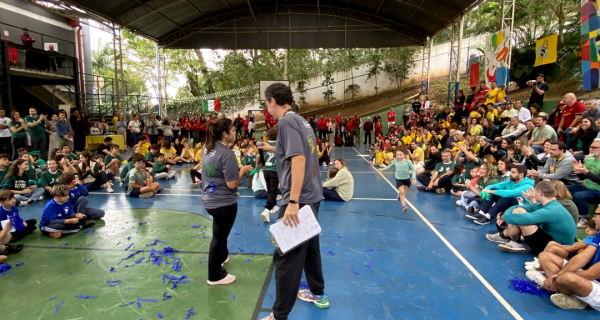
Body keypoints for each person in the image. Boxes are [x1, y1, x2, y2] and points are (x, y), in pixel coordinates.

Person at [259, 83, 327, 320]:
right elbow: (298, 152)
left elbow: (298, 159)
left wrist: (293, 202)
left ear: (272, 101)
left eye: (266, 103)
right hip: (313, 194)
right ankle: (318, 292)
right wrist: (273, 147)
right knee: (310, 249)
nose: (266, 107)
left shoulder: (285, 123)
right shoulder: (300, 120)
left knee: (286, 257)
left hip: (300, 198)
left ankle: (278, 315)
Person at [200, 118, 252, 286]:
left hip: (209, 199)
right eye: (233, 130)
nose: (235, 133)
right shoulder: (227, 154)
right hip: (223, 203)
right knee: (219, 237)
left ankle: (222, 256)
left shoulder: (207, 148)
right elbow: (232, 183)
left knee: (219, 232)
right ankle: (215, 275)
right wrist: (243, 171)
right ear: (225, 133)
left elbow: (214, 174)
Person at [499, 181, 576, 254]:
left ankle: (508, 237)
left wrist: (503, 217)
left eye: (535, 192)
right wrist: (504, 214)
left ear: (540, 193)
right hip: (553, 241)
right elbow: (516, 206)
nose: (534, 194)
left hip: (558, 249)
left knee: (522, 219)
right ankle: (511, 239)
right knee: (518, 210)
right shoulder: (549, 204)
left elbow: (524, 219)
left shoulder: (551, 210)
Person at [471, 165, 535, 226]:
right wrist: (486, 189)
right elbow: (496, 185)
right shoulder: (511, 181)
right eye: (510, 172)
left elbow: (512, 193)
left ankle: (488, 216)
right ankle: (482, 212)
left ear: (521, 175)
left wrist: (490, 191)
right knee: (493, 190)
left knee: (507, 196)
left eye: (513, 172)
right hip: (510, 205)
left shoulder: (528, 185)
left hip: (522, 207)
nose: (510, 174)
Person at [569, 139, 600, 228]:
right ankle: (569, 212)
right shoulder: (589, 160)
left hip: (598, 190)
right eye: (591, 147)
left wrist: (586, 172)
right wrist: (579, 172)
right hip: (587, 187)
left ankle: (585, 218)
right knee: (563, 188)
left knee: (579, 195)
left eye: (595, 147)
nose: (591, 149)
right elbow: (582, 178)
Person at [260, 129, 279, 223]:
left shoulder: (264, 145)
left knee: (269, 189)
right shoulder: (278, 145)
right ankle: (267, 209)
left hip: (265, 170)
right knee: (273, 190)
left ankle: (274, 206)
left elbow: (260, 156)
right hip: (274, 170)